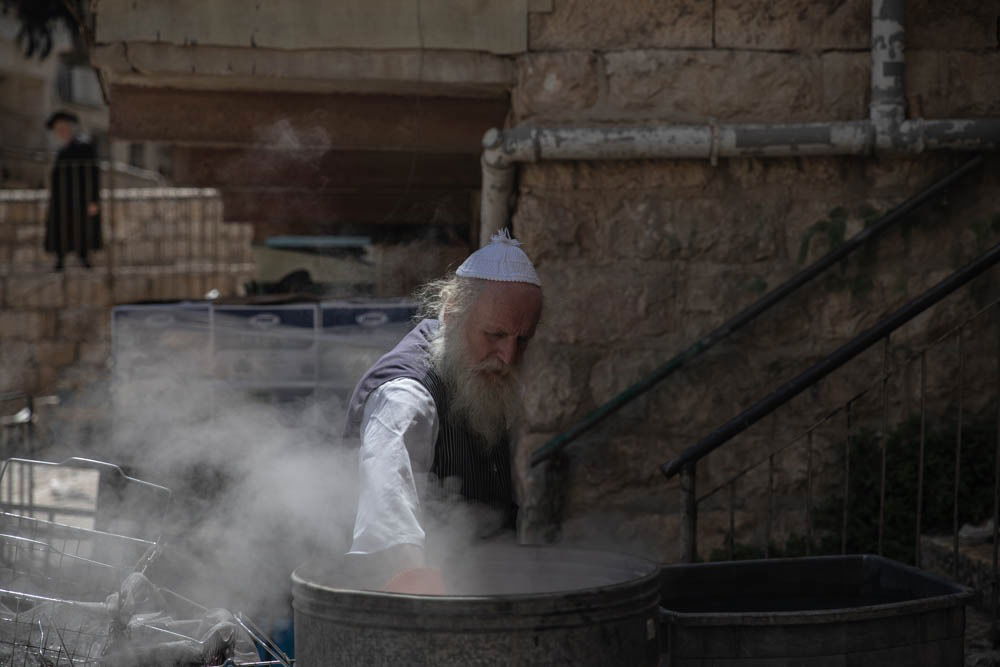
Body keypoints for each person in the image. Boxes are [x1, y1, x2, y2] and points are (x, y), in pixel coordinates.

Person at [343, 229, 543, 594]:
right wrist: (420, 589)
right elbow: (387, 509)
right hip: (401, 606)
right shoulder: (406, 394)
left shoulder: (478, 380)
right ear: (452, 314)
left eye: (522, 339)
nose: (509, 356)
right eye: (495, 335)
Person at [45, 110, 102, 271]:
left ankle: (83, 257)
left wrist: (93, 199)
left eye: (63, 127)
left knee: (82, 228)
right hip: (63, 200)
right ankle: (61, 259)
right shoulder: (63, 150)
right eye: (58, 129)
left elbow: (92, 174)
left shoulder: (84, 146)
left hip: (80, 198)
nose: (61, 132)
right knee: (62, 228)